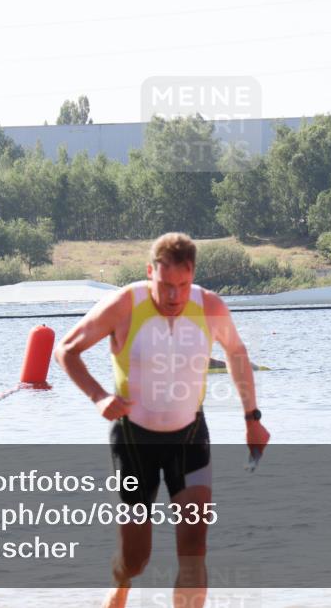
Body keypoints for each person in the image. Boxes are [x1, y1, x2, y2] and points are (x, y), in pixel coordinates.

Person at [54, 232, 270, 608]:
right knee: (135, 561)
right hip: (134, 441)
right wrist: (99, 396)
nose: (174, 297)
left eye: (183, 285)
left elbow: (236, 353)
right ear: (149, 272)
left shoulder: (210, 307)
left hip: (189, 438)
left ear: (193, 275)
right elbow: (66, 350)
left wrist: (252, 418)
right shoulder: (124, 304)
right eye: (165, 285)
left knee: (193, 550)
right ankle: (119, 581)